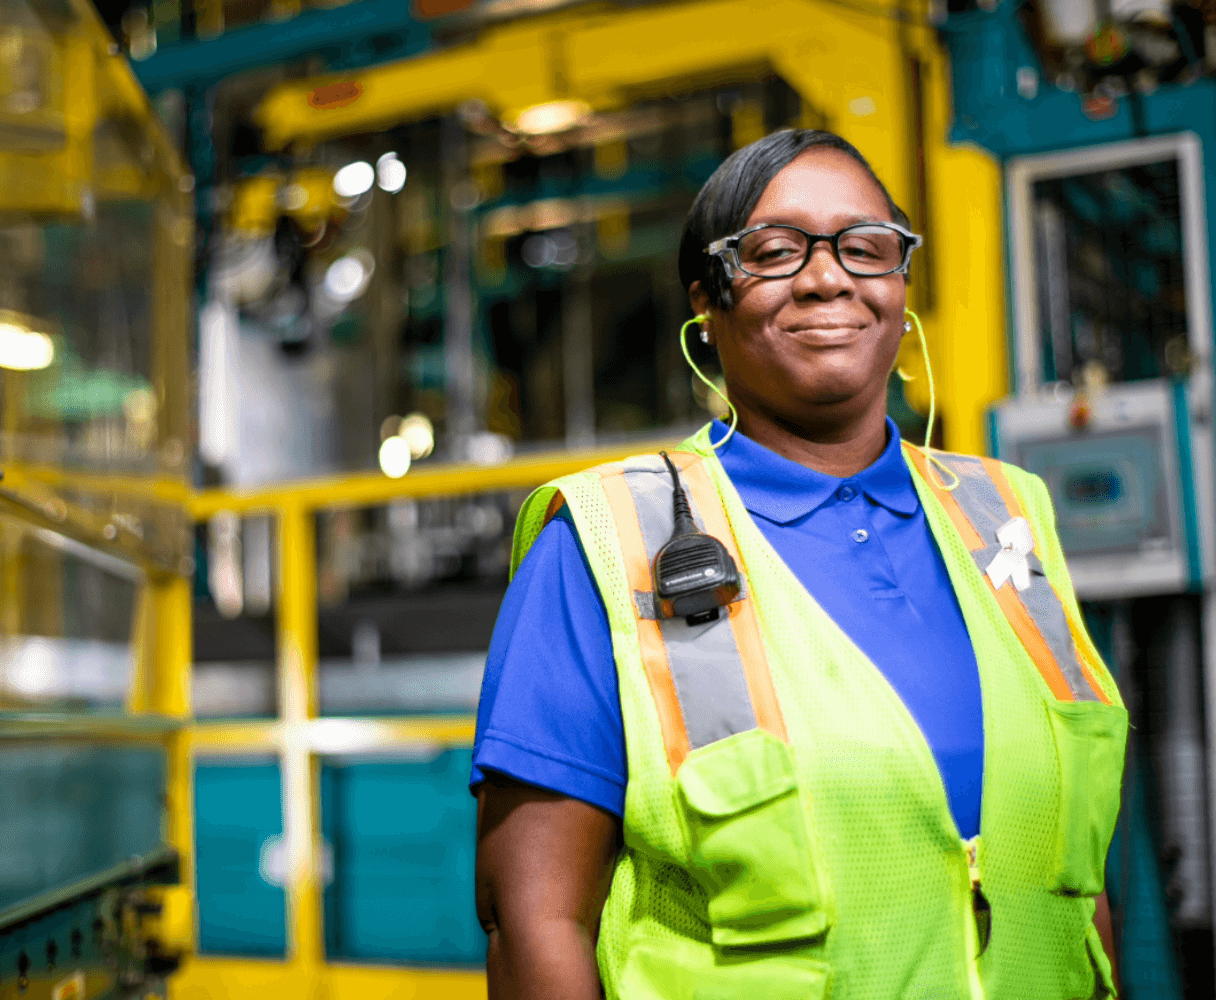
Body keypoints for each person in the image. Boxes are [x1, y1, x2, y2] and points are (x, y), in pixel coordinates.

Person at [471, 128, 1127, 999]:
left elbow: (1070, 880)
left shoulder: (1006, 517)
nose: (828, 276)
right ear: (708, 301)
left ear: (900, 286)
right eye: (776, 252)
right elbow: (535, 923)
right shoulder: (606, 540)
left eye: (866, 247)